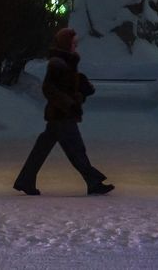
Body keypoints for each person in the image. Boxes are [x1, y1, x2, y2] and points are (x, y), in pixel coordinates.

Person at [13, 28, 114, 196]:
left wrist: (81, 90)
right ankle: (93, 182)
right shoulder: (58, 63)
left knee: (44, 149)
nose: (76, 46)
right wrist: (70, 103)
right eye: (73, 43)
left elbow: (64, 88)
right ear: (66, 44)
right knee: (76, 150)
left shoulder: (66, 63)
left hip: (60, 115)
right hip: (62, 115)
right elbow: (49, 89)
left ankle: (26, 180)